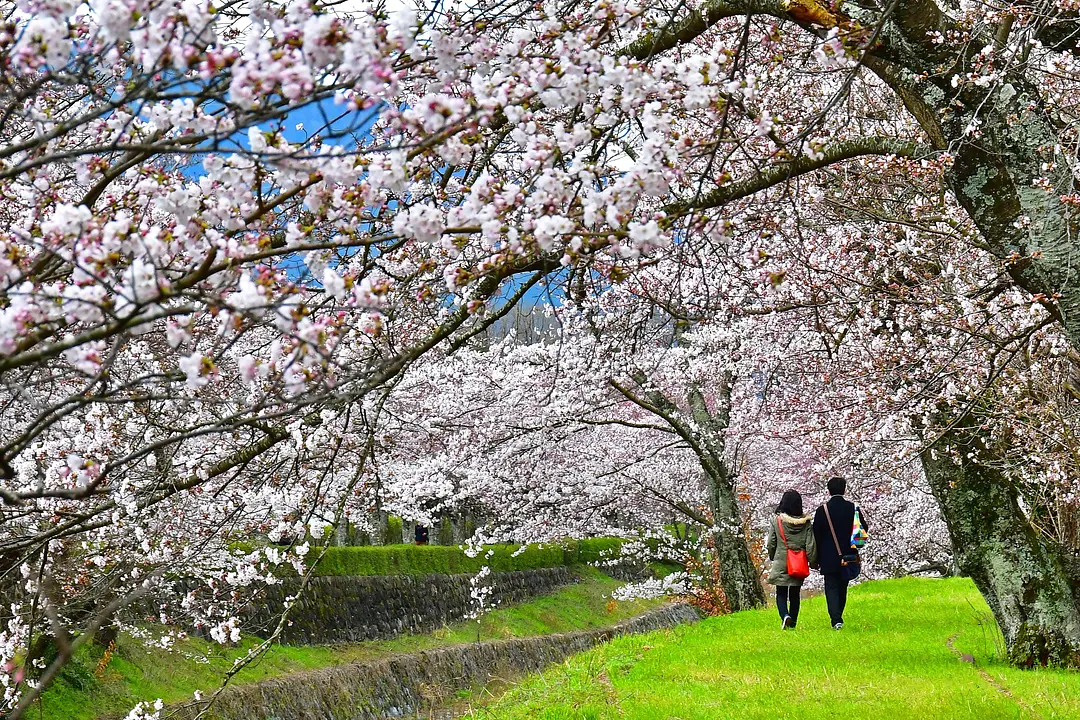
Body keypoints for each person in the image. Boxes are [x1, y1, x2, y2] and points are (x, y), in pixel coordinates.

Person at [812, 476, 870, 630]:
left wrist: (816, 557)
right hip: (848, 554)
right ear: (844, 489)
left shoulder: (822, 510)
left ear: (828, 491)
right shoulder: (852, 508)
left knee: (831, 587)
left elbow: (815, 534)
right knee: (843, 586)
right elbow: (863, 528)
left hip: (828, 556)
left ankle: (836, 619)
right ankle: (838, 617)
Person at [766, 489, 817, 630]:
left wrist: (773, 556)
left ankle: (785, 616)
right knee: (795, 594)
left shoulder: (776, 521)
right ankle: (792, 624)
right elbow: (810, 545)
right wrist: (813, 561)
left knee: (781, 593)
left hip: (781, 561)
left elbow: (771, 543)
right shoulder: (806, 524)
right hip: (798, 563)